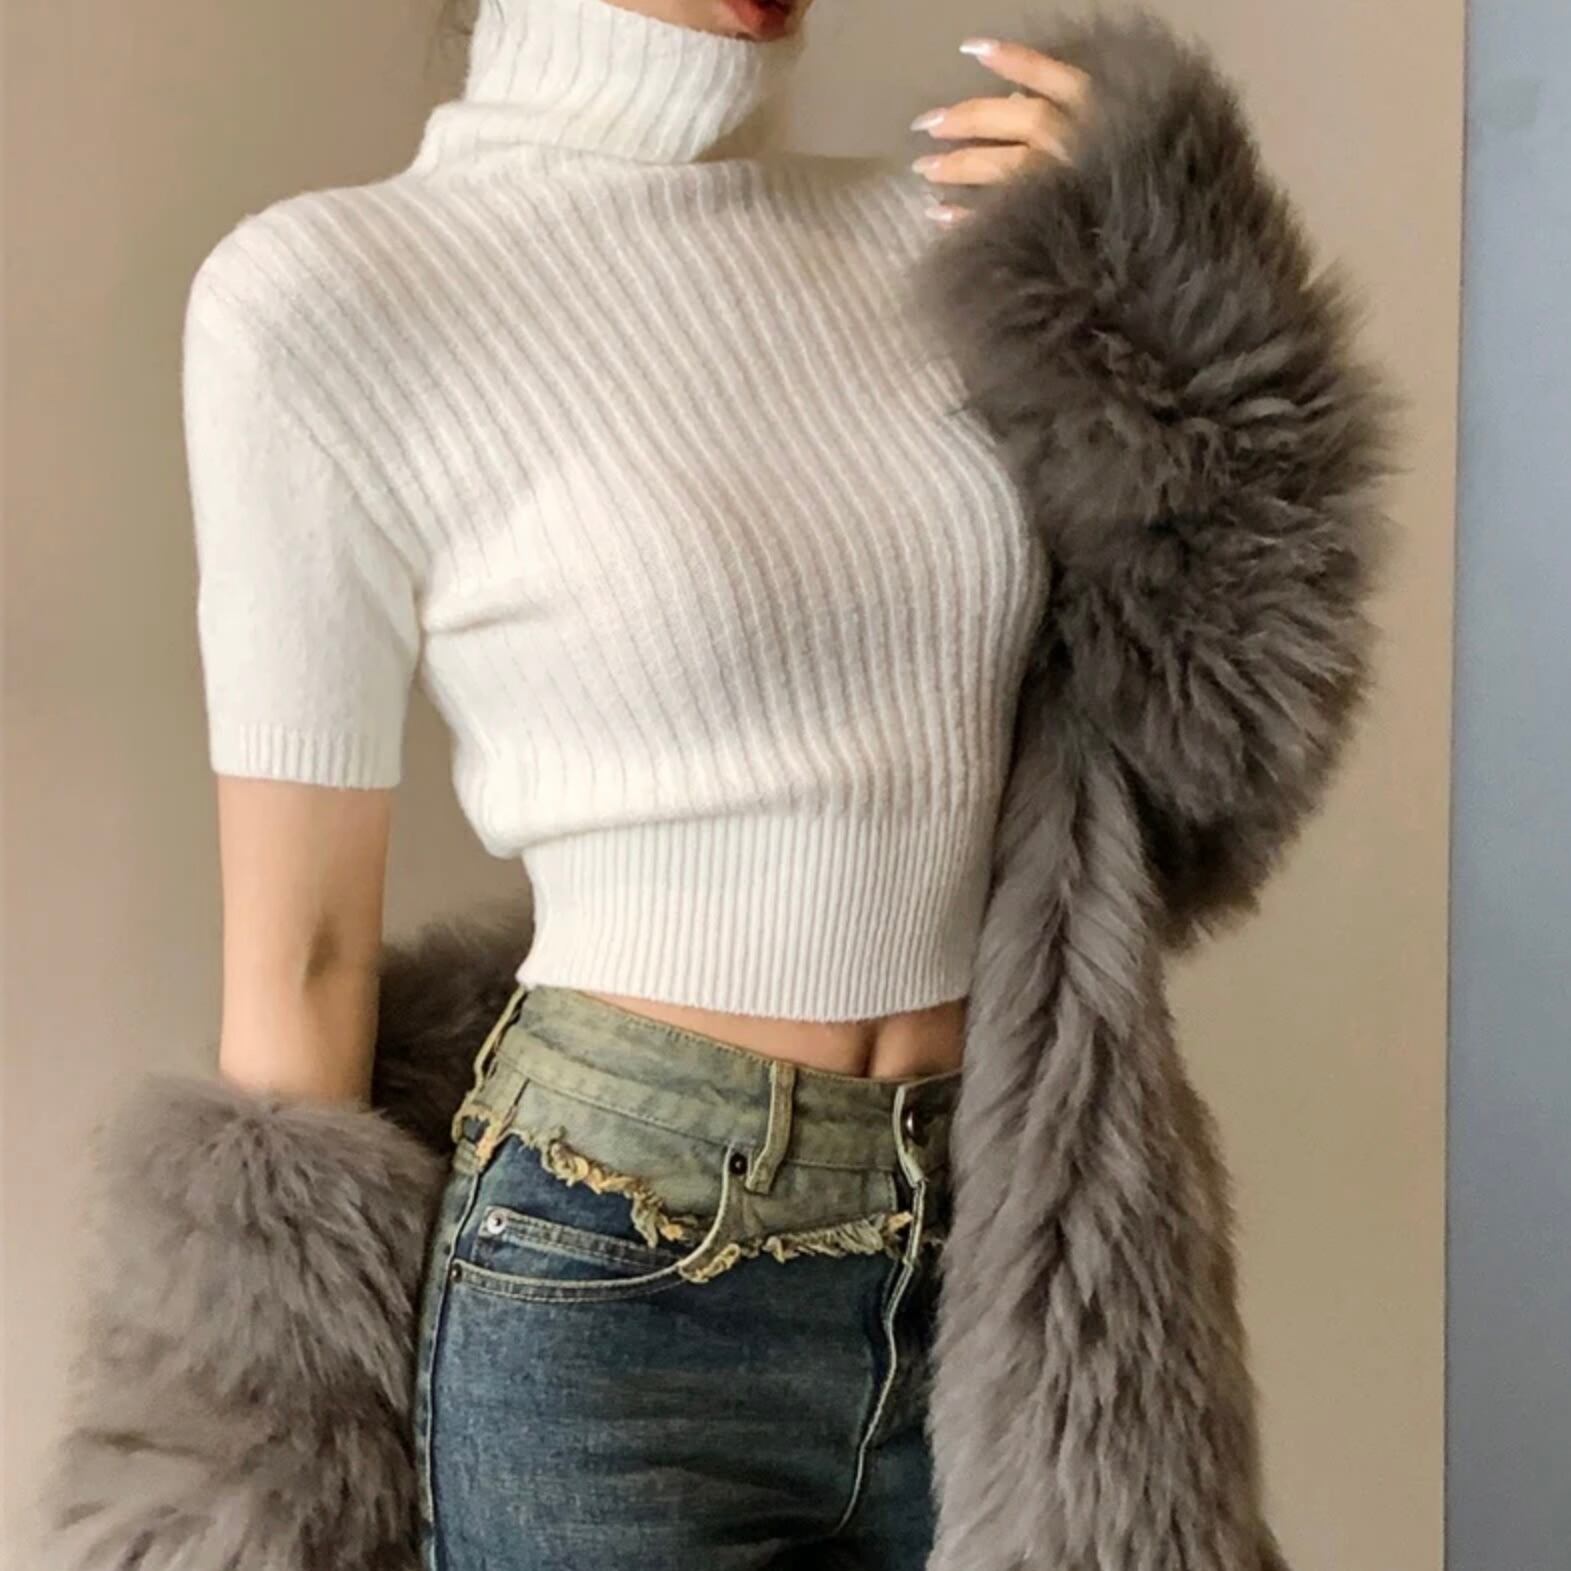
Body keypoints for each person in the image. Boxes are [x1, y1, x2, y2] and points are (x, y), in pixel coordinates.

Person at [40, 3, 1393, 1569]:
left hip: (999, 1253)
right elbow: (308, 957)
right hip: (609, 1280)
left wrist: (1183, 314)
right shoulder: (324, 296)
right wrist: (277, 1470)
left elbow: (1202, 776)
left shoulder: (951, 239)